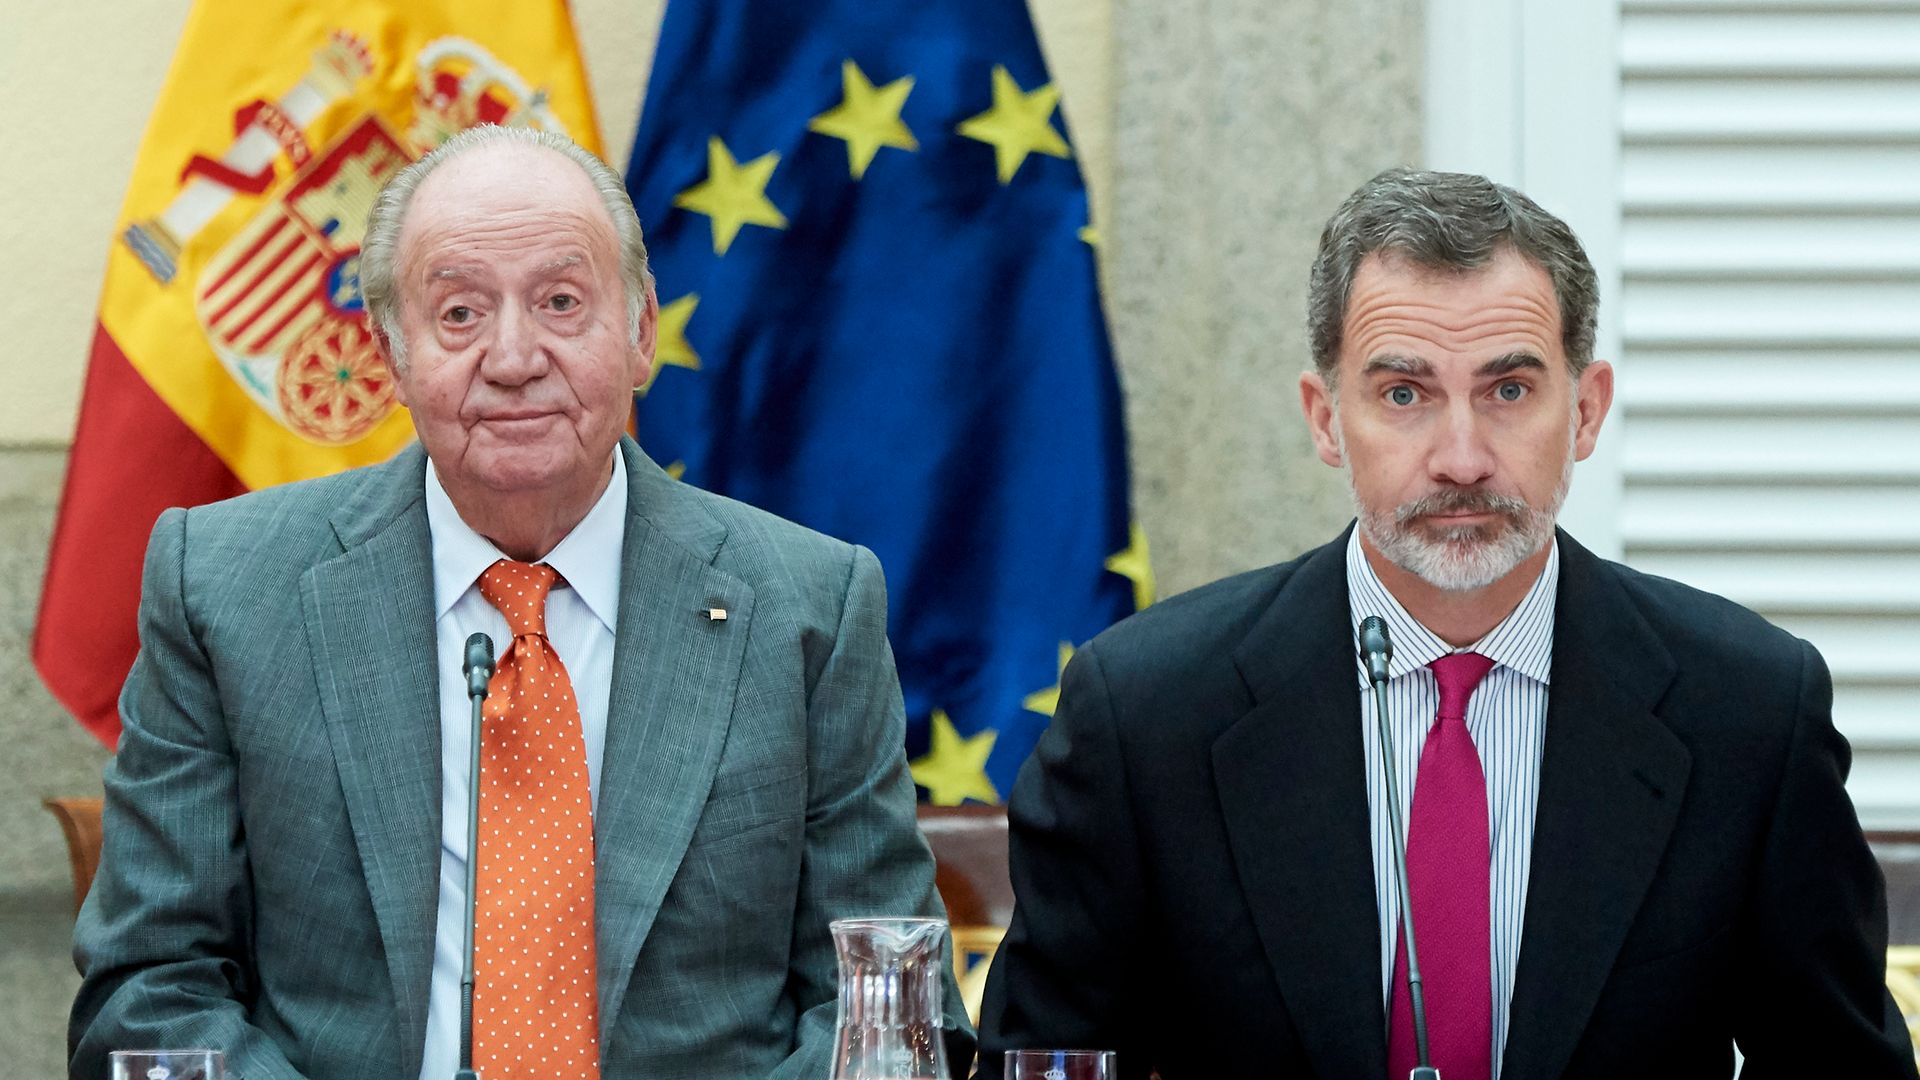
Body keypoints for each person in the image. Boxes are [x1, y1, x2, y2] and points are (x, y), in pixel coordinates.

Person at [70, 125, 971, 1079]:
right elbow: (149, 986)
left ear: (641, 334)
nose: (513, 356)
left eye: (561, 302)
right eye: (458, 312)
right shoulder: (223, 587)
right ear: (390, 353)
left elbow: (889, 1003)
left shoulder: (809, 609)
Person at [978, 168, 1916, 1079]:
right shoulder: (1146, 714)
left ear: (1584, 412)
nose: (1461, 458)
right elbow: (1046, 1062)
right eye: (1403, 394)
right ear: (1326, 420)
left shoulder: (1747, 709)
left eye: (1509, 390)